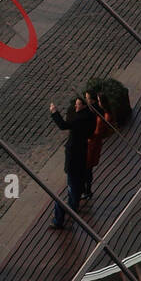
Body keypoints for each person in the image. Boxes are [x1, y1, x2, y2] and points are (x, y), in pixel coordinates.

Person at [49, 97, 96, 230]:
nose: (76, 107)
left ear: (84, 106)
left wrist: (54, 112)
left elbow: (63, 125)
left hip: (73, 158)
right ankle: (74, 203)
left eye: (78, 105)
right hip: (82, 154)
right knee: (78, 183)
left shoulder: (79, 120)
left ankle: (59, 220)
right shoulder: (90, 117)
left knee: (71, 186)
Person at [82, 90, 113, 202]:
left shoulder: (102, 115)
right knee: (87, 169)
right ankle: (86, 190)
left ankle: (87, 191)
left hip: (92, 145)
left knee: (87, 169)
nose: (87, 100)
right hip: (92, 144)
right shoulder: (98, 112)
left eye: (88, 98)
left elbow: (97, 132)